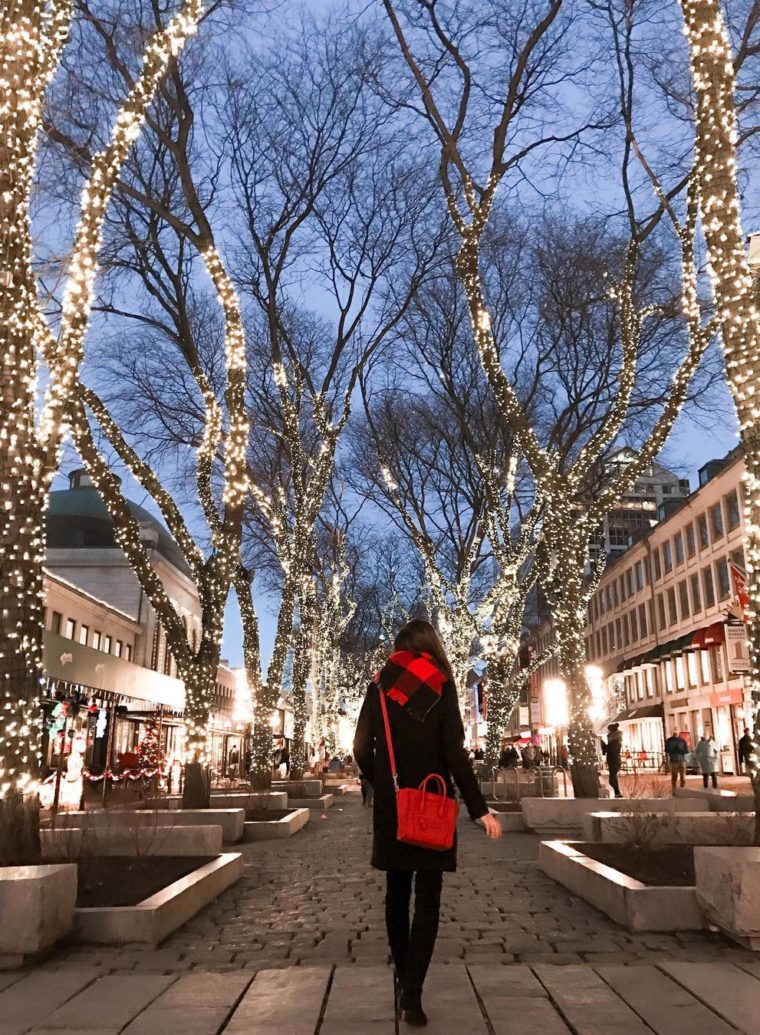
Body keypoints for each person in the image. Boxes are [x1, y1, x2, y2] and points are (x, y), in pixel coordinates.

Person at [353, 619, 501, 1028]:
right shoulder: (442, 686)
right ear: (431, 646)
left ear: (400, 649)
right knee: (429, 897)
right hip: (433, 802)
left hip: (394, 805)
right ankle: (414, 994)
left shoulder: (379, 687)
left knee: (396, 893)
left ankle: (402, 978)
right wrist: (479, 808)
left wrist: (382, 779)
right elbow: (455, 754)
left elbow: (360, 747)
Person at [601, 723, 623, 798]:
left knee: (612, 779)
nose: (607, 732)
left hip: (614, 761)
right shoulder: (614, 740)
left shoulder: (616, 741)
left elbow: (612, 750)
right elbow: (609, 749)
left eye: (608, 731)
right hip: (613, 761)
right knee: (612, 778)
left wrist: (604, 746)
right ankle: (617, 793)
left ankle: (617, 793)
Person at [664, 729, 689, 794]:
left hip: (681, 760)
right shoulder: (669, 740)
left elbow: (686, 751)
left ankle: (682, 790)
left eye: (676, 731)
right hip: (673, 761)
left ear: (679, 732)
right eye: (674, 731)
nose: (676, 732)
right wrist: (673, 750)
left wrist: (680, 749)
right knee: (674, 776)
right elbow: (666, 750)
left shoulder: (682, 740)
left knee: (683, 777)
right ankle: (674, 790)